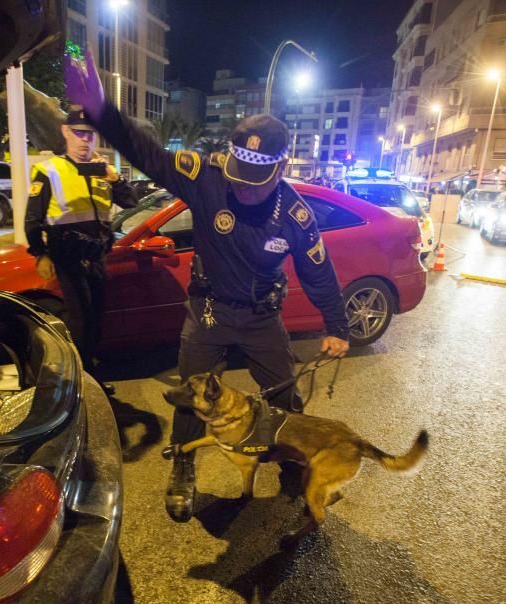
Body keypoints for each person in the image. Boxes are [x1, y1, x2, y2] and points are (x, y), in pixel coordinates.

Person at [65, 50, 351, 523]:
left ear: (280, 170)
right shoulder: (208, 177)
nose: (244, 190)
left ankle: (292, 470)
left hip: (262, 317)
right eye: (240, 178)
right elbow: (146, 151)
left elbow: (318, 271)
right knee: (189, 399)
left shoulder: (297, 214)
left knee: (285, 399)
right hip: (209, 313)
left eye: (257, 183)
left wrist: (337, 324)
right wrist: (102, 111)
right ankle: (182, 466)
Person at [25, 106, 138, 392]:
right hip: (68, 256)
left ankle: (89, 372)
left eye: (90, 134)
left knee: (97, 316)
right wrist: (41, 253)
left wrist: (115, 178)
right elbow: (32, 219)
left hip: (97, 256)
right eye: (78, 133)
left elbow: (132, 202)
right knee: (80, 319)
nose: (85, 139)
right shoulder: (49, 170)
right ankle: (79, 379)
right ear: (65, 132)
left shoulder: (103, 171)